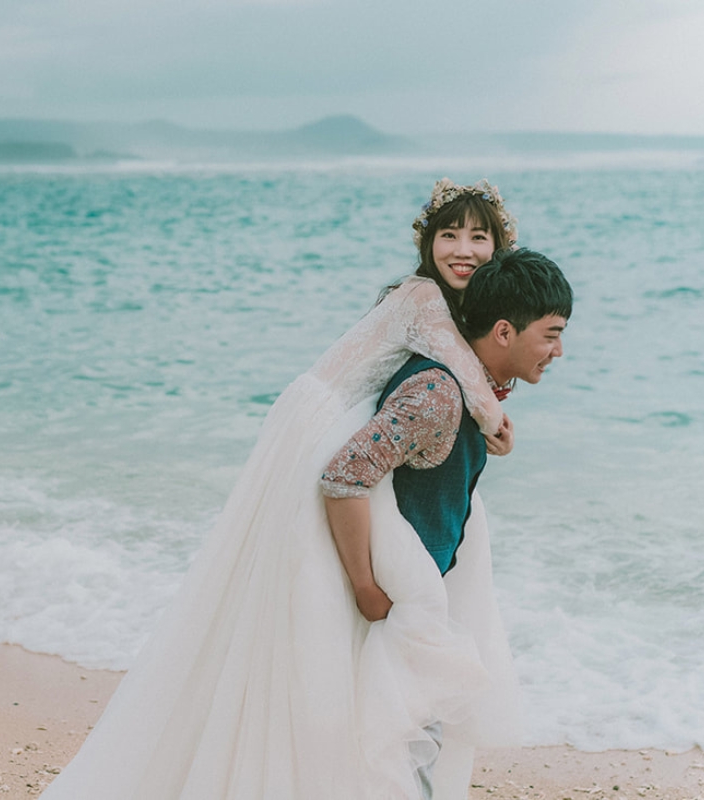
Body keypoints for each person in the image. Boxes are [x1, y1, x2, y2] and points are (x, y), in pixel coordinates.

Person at [40, 179, 525, 800]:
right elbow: (459, 367)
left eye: (478, 237)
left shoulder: (448, 307)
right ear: (426, 245)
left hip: (326, 417)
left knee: (296, 586)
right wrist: (495, 423)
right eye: (448, 234)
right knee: (308, 585)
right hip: (320, 423)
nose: (462, 248)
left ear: (498, 246)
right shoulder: (422, 295)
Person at [322, 248, 572, 798]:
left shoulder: (467, 390)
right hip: (391, 605)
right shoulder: (437, 394)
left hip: (409, 599)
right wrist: (365, 587)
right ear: (504, 331)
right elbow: (343, 475)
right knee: (401, 753)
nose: (559, 350)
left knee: (412, 751)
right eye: (551, 334)